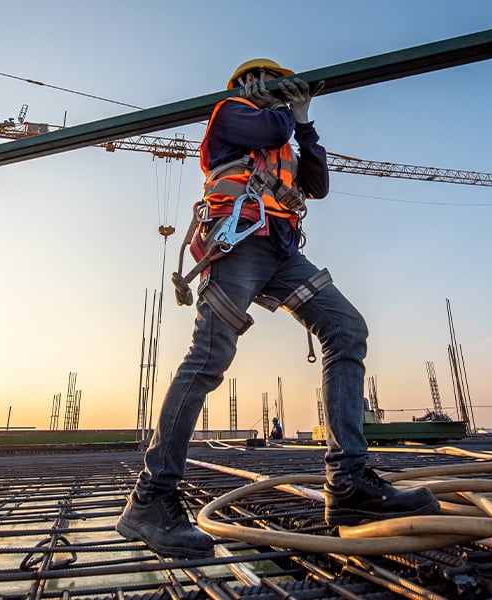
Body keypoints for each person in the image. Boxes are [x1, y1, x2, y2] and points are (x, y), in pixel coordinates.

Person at [116, 58, 439, 559]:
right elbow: (270, 124)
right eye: (268, 80)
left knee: (345, 329)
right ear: (248, 83)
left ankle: (349, 482)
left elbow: (318, 184)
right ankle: (151, 499)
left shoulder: (285, 133)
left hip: (281, 251)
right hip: (238, 243)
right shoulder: (231, 113)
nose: (278, 92)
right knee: (207, 360)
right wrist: (288, 108)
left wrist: (307, 123)